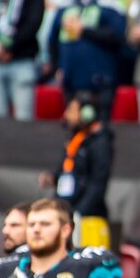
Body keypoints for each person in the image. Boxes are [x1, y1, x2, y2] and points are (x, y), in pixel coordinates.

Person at [47, 94, 114, 248]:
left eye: (71, 111)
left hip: (88, 219)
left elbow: (98, 183)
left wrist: (79, 212)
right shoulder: (76, 139)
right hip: (66, 211)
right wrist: (54, 177)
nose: (66, 115)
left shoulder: (101, 143)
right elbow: (69, 171)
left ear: (87, 113)